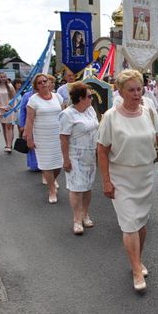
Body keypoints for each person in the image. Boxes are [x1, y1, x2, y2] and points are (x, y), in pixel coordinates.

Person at [97, 69, 158, 292]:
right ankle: (136, 269)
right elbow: (101, 150)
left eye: (139, 89)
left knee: (140, 223)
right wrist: (106, 181)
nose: (137, 94)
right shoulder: (111, 116)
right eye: (131, 90)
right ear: (120, 91)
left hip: (145, 175)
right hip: (121, 176)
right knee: (129, 224)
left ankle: (138, 258)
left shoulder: (149, 112)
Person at [59, 82, 99, 235]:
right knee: (76, 188)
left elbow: (96, 129)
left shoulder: (90, 111)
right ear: (80, 98)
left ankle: (85, 214)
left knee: (88, 186)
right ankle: (76, 220)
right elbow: (63, 138)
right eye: (89, 96)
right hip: (75, 155)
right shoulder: (67, 114)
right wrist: (66, 160)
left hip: (90, 154)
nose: (91, 99)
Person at [24, 74, 64, 203]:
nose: (43, 84)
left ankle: (52, 180)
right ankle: (52, 190)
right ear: (36, 86)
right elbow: (29, 121)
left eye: (45, 81)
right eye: (40, 82)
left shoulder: (58, 97)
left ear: (49, 82)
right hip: (42, 137)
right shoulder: (33, 100)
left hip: (57, 135)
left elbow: (64, 115)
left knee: (59, 164)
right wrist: (29, 138)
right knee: (46, 165)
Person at [0, 72, 16, 153]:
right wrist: (1, 107)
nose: (3, 78)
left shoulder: (10, 86)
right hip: (0, 109)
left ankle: (8, 145)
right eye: (1, 77)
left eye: (4, 77)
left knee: (9, 126)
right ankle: (7, 144)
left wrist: (10, 106)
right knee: (4, 127)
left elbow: (14, 97)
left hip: (9, 108)